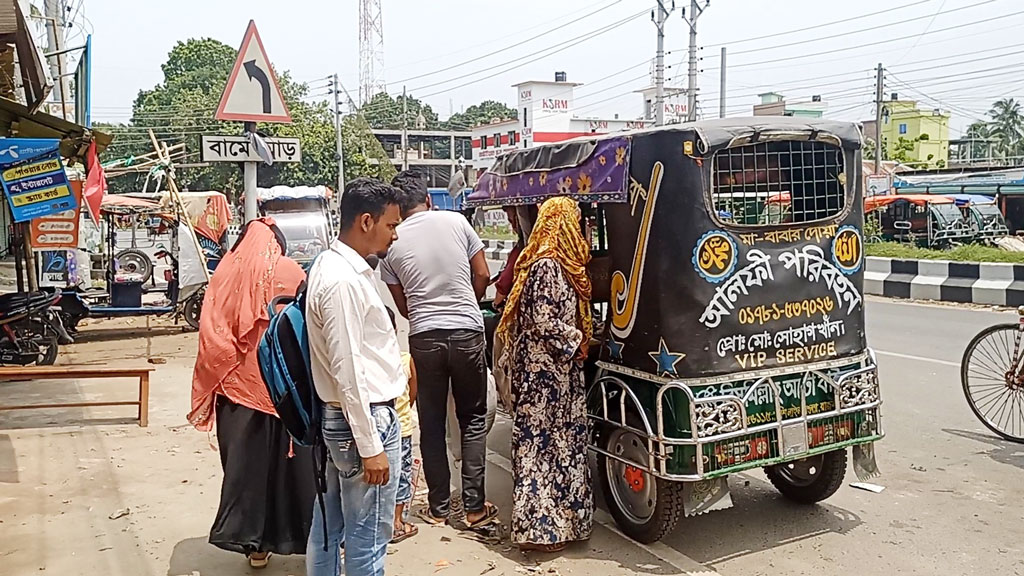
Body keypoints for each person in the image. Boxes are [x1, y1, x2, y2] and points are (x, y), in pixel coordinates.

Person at [188, 217, 313, 569]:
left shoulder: (224, 275)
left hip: (236, 393)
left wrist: (225, 375)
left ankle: (254, 547)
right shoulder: (291, 271)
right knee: (292, 470)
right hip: (285, 389)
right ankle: (301, 537)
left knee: (246, 471)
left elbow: (210, 338)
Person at [380, 170, 498, 531]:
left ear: (398, 207)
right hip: (467, 331)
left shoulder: (392, 241)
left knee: (430, 423)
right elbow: (481, 273)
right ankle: (475, 508)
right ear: (428, 200)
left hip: (425, 337)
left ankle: (438, 507)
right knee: (472, 418)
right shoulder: (457, 222)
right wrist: (467, 305)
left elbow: (403, 306)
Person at [305, 178, 405, 576]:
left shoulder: (337, 268)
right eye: (391, 226)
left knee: (329, 527)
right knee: (367, 541)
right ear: (366, 221)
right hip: (362, 421)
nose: (395, 235)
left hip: (345, 418)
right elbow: (348, 369)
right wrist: (370, 445)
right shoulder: (342, 280)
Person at [496, 196, 594, 553]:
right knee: (541, 448)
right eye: (578, 219)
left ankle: (566, 524)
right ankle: (541, 532)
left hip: (560, 372)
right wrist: (577, 338)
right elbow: (542, 320)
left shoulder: (567, 264)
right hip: (541, 376)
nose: (583, 226)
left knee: (564, 447)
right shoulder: (546, 266)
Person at [386, 307, 419, 544]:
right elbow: (413, 393)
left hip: (378, 430)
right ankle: (397, 523)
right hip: (403, 428)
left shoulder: (368, 361)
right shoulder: (406, 359)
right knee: (401, 475)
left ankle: (379, 521)